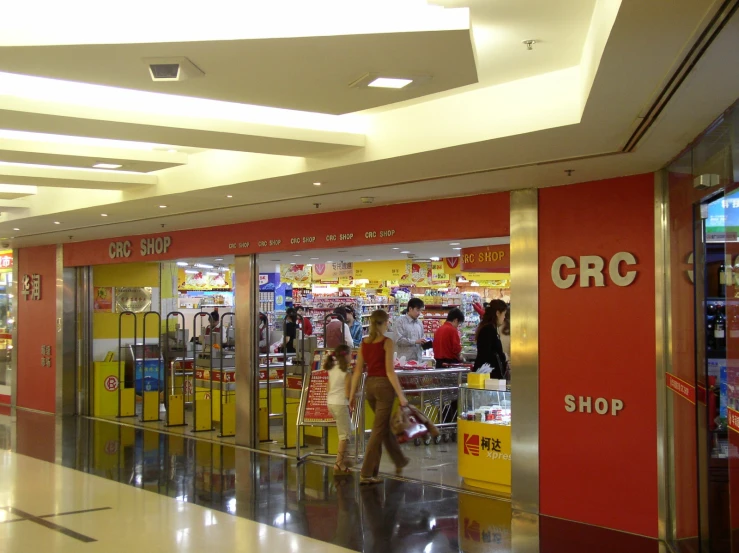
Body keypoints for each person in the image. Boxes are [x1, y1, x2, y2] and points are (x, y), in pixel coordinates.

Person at [349, 310, 409, 485]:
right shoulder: (387, 342)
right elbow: (390, 372)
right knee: (378, 431)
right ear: (384, 323)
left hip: (370, 387)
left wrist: (351, 395)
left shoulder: (364, 344)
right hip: (384, 388)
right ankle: (367, 472)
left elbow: (358, 371)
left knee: (381, 427)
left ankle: (399, 460)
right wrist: (401, 395)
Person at [325, 343, 353, 474]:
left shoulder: (332, 369)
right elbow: (348, 393)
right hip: (341, 404)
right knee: (344, 436)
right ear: (345, 355)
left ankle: (344, 460)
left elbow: (328, 388)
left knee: (344, 432)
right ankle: (339, 464)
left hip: (331, 402)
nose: (352, 356)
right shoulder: (346, 372)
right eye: (350, 354)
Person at [473, 300, 507, 378]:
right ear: (498, 313)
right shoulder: (488, 329)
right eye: (504, 314)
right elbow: (487, 354)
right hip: (488, 375)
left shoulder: (489, 327)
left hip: (488, 374)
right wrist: (503, 356)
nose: (504, 317)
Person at [394, 298, 426, 362]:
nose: (419, 313)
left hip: (418, 360)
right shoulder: (400, 321)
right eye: (417, 310)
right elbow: (399, 340)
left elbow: (422, 337)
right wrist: (415, 341)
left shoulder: (419, 323)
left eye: (421, 311)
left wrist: (424, 343)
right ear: (410, 309)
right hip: (404, 361)